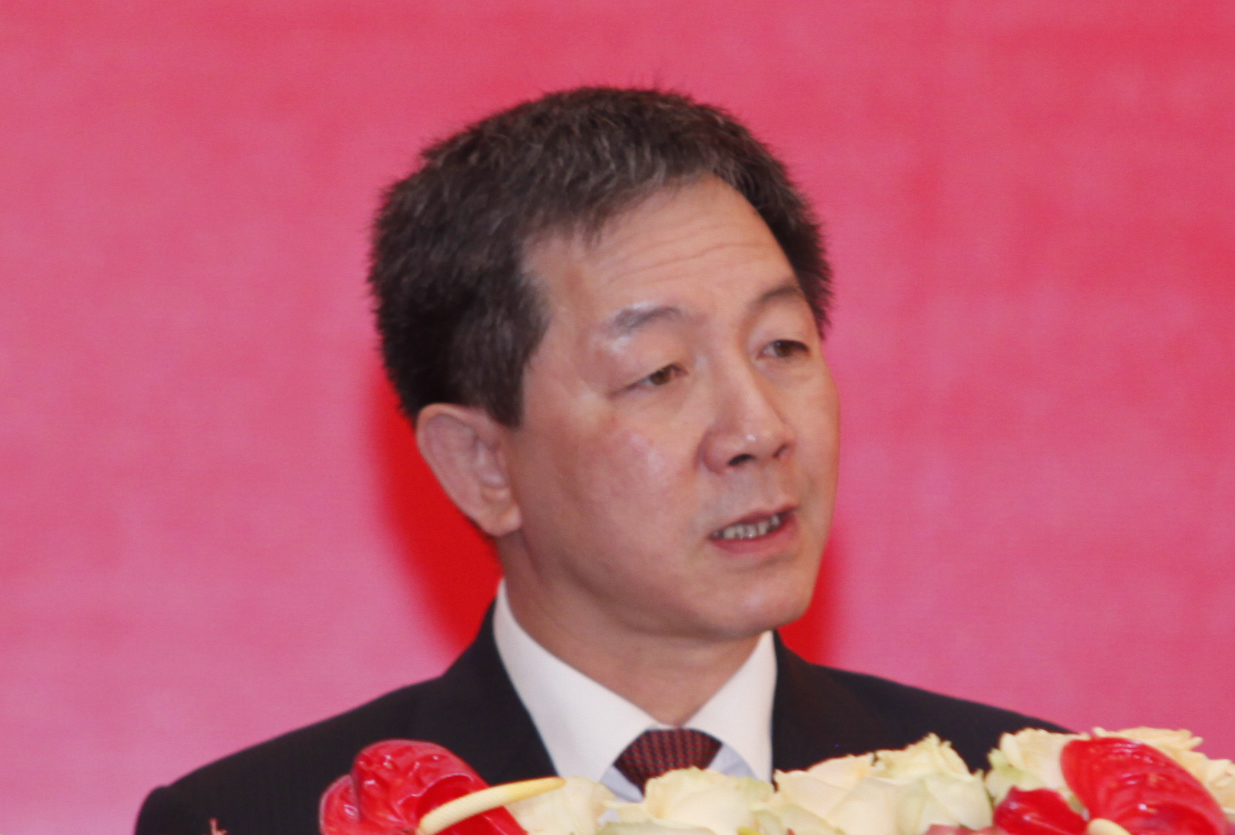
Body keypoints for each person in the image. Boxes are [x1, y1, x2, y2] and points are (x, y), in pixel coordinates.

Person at [135, 87, 1060, 835]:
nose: (759, 427)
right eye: (659, 372)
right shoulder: (260, 820)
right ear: (481, 464)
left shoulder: (1028, 803)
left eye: (782, 346)